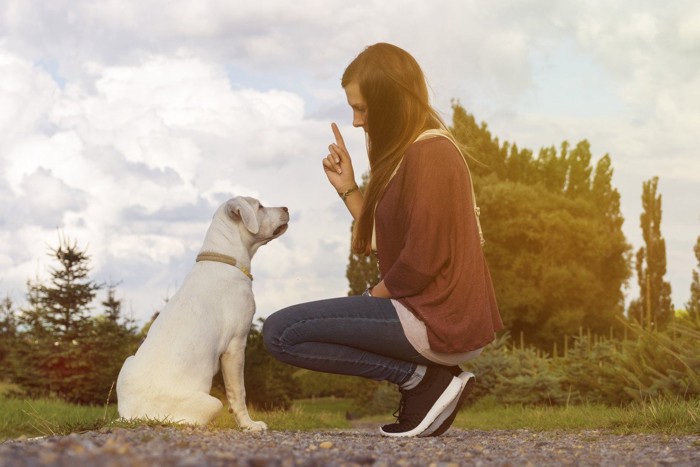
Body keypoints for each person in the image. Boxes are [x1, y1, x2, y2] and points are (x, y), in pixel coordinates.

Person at [263, 42, 503, 438]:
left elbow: (422, 260)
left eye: (362, 108)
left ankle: (422, 381)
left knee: (281, 332)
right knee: (283, 333)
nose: (356, 121)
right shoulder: (412, 153)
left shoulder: (432, 153)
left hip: (436, 317)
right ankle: (425, 380)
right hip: (427, 312)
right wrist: (347, 188)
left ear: (390, 101)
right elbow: (382, 240)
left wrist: (372, 297)